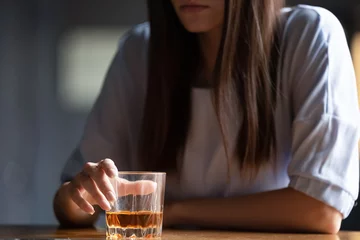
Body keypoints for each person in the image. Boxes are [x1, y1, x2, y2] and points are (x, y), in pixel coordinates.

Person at [53, 0, 360, 234]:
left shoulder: (310, 34)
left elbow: (320, 210)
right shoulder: (138, 51)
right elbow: (72, 207)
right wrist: (77, 193)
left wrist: (172, 212)